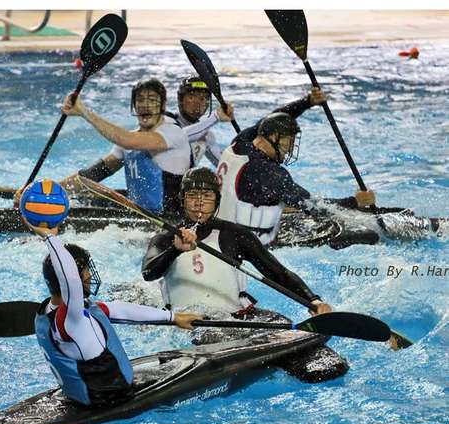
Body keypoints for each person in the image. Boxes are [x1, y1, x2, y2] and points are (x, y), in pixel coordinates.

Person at [24, 220, 201, 407]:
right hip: (108, 400)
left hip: (79, 397)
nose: (89, 275)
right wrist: (50, 237)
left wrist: (173, 318)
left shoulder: (47, 313)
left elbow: (119, 310)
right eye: (85, 271)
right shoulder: (70, 318)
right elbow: (70, 278)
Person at [141, 167, 332, 319]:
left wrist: (313, 300)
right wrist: (175, 250)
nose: (199, 202)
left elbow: (276, 272)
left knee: (284, 323)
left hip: (237, 317)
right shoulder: (165, 239)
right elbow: (149, 273)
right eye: (192, 195)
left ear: (217, 201)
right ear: (182, 200)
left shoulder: (235, 235)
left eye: (207, 196)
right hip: (189, 323)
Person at [58, 78, 233, 216]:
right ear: (134, 106)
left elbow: (127, 140)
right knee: (80, 198)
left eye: (152, 100)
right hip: (137, 211)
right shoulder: (132, 139)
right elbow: (92, 174)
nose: (145, 105)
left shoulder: (173, 133)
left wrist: (84, 112)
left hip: (168, 218)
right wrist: (54, 189)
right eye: (140, 100)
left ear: (162, 106)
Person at [216, 110, 376, 245]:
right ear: (273, 137)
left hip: (221, 225)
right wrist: (355, 202)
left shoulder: (239, 143)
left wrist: (308, 102)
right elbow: (314, 206)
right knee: (368, 237)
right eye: (289, 141)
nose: (290, 149)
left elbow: (264, 121)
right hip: (245, 242)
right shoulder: (269, 172)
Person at [166, 75, 222, 168]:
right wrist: (216, 117)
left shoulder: (206, 136)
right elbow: (181, 136)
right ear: (180, 100)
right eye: (192, 97)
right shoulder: (166, 121)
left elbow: (224, 166)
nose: (197, 103)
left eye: (203, 98)